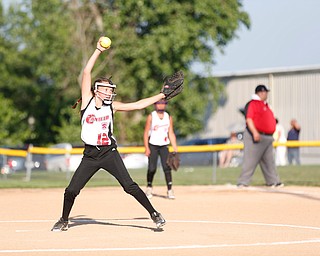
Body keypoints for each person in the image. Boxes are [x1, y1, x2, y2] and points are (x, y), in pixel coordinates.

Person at [51, 37, 167, 232]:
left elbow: (137, 104)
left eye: (110, 90)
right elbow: (87, 72)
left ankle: (154, 214)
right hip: (90, 155)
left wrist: (162, 95)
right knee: (71, 190)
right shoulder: (87, 101)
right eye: (105, 89)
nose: (108, 92)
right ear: (96, 91)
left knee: (129, 186)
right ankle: (64, 219)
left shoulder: (111, 107)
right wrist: (98, 50)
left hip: (109, 153)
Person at [237, 85, 283, 188]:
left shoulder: (265, 105)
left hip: (267, 136)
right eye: (265, 92)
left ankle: (273, 181)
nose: (266, 94)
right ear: (260, 92)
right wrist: (255, 132)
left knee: (269, 161)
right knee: (250, 160)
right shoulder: (253, 103)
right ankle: (243, 182)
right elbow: (249, 119)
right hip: (255, 135)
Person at [144, 99, 178, 199]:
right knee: (152, 168)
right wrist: (146, 147)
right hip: (153, 145)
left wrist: (175, 147)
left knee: (167, 167)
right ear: (155, 105)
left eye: (163, 103)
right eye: (159, 103)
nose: (161, 105)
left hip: (164, 145)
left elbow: (170, 132)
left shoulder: (168, 117)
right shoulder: (151, 116)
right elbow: (146, 133)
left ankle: (170, 189)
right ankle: (149, 187)